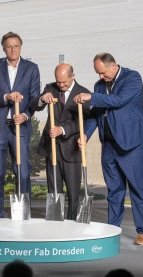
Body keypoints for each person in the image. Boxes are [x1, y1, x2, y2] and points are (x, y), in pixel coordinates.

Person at [74, 53, 143, 245]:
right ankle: (112, 228)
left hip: (132, 143)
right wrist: (85, 134)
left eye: (103, 73)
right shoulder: (99, 85)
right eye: (98, 74)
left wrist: (91, 97)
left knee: (137, 188)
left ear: (113, 65)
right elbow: (95, 115)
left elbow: (118, 100)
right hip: (109, 144)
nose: (101, 77)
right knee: (114, 190)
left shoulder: (132, 78)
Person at [0, 32, 40, 218]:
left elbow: (34, 99)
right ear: (3, 48)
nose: (12, 49)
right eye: (9, 46)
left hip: (20, 128)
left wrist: (25, 115)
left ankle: (23, 214)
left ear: (20, 47)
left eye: (16, 46)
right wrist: (7, 97)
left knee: (23, 172)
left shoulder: (32, 68)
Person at [31, 63, 91, 220]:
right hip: (52, 148)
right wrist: (42, 99)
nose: (61, 85)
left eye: (64, 82)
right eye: (58, 82)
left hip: (71, 149)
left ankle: (72, 224)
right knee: (54, 191)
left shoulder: (84, 93)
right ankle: (54, 224)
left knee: (73, 193)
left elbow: (84, 121)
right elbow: (35, 106)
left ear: (73, 76)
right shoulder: (50, 88)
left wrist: (63, 129)